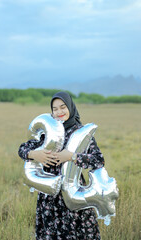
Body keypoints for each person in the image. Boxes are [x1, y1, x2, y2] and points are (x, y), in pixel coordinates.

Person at [18, 91, 105, 240]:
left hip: (73, 194)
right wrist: (34, 154)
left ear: (70, 107)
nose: (59, 112)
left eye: (63, 107)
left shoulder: (80, 132)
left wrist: (72, 156)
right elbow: (22, 149)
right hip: (49, 196)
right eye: (55, 109)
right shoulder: (47, 133)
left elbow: (98, 160)